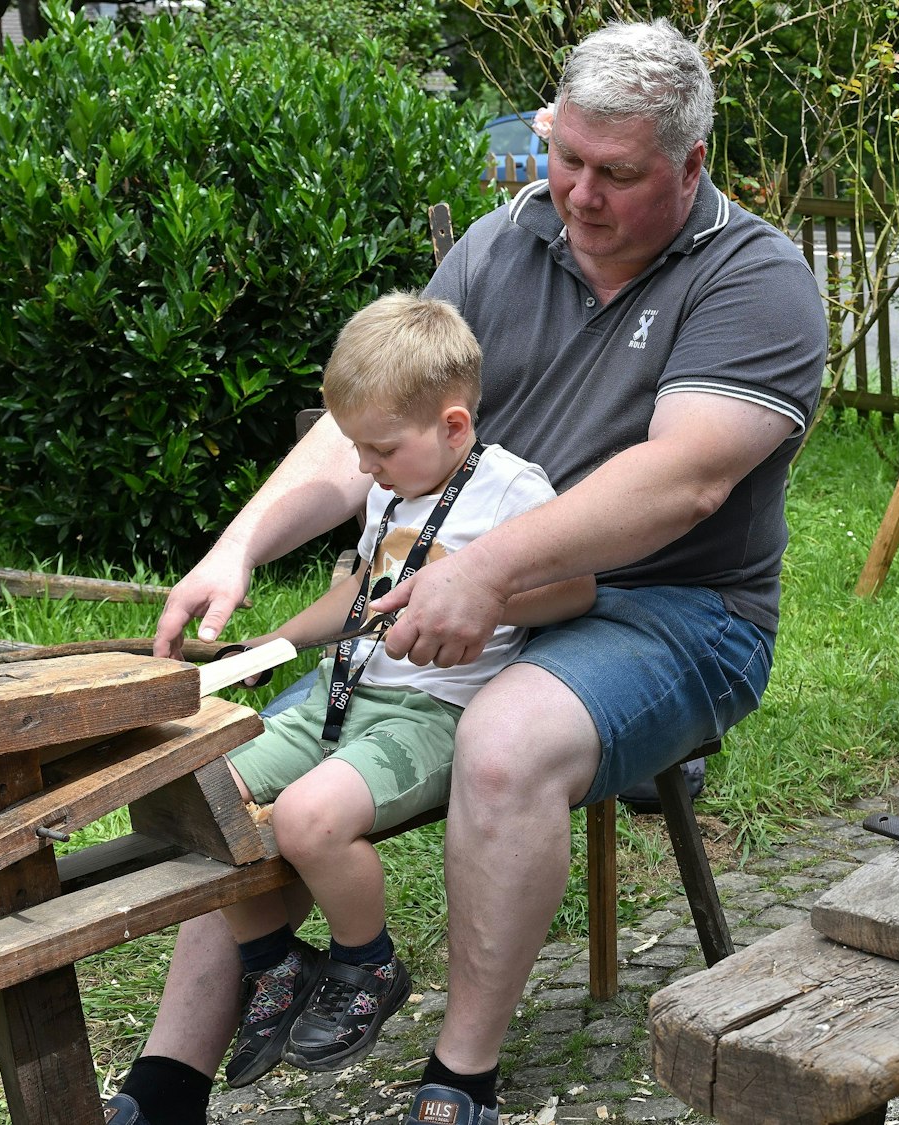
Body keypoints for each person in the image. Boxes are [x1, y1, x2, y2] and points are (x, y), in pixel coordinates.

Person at [111, 20, 827, 1125]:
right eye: (564, 157)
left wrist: (483, 570)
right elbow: (378, 423)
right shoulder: (501, 246)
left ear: (690, 165)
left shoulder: (755, 278)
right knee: (233, 768)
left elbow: (680, 481)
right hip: (455, 588)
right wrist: (238, 545)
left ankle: (458, 1082)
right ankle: (162, 1090)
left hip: (676, 610)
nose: (576, 195)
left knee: (504, 743)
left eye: (615, 174)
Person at [205, 293, 594, 1089]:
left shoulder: (514, 492)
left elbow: (578, 591)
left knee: (310, 819)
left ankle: (366, 964)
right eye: (355, 448)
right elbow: (357, 598)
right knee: (197, 791)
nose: (363, 468)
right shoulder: (388, 490)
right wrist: (267, 645)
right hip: (338, 694)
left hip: (430, 710)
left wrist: (487, 601)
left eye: (378, 447)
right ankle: (275, 962)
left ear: (453, 426)